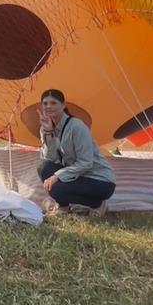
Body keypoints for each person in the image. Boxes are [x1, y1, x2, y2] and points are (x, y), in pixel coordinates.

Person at [36, 89, 116, 217]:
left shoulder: (77, 126)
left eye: (53, 103)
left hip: (100, 180)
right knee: (44, 168)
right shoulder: (45, 128)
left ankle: (98, 204)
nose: (48, 106)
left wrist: (57, 176)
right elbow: (50, 158)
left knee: (56, 188)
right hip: (78, 175)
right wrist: (49, 133)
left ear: (63, 105)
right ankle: (63, 206)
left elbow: (86, 163)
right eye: (45, 103)